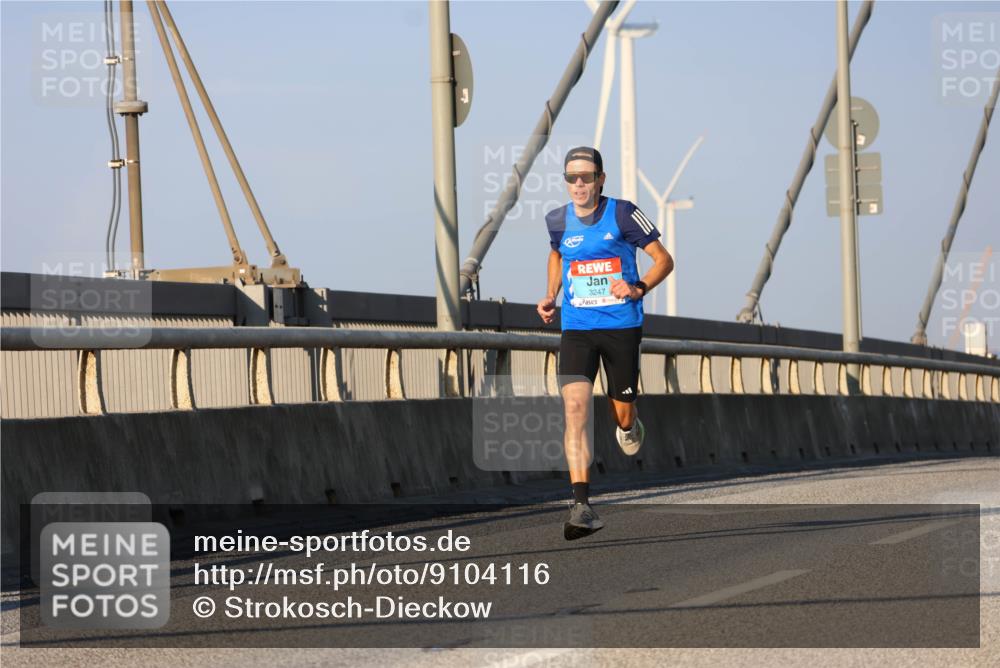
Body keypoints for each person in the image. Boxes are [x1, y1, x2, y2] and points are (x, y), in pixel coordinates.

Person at [537, 146, 674, 540]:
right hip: (577, 327)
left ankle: (630, 425)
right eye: (571, 178)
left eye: (586, 177)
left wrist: (637, 286)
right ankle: (581, 504)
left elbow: (663, 259)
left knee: (623, 415)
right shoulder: (557, 220)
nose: (579, 184)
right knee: (575, 407)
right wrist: (550, 293)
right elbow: (556, 254)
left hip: (621, 326)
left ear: (601, 179)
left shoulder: (624, 213)